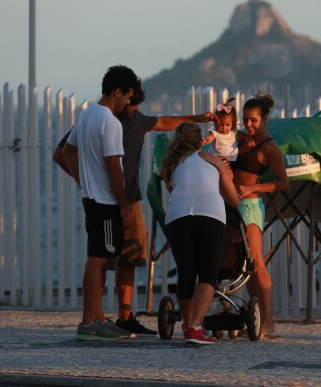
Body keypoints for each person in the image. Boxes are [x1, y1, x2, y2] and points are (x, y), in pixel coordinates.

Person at [53, 87, 219, 337]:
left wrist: (196, 118)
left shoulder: (136, 120)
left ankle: (125, 317)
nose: (134, 108)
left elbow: (164, 121)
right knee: (103, 259)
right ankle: (95, 318)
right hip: (109, 199)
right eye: (131, 103)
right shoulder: (102, 121)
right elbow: (62, 153)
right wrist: (85, 182)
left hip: (130, 198)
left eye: (136, 104)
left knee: (130, 257)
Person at [62, 65, 140, 341]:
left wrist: (83, 180)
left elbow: (67, 151)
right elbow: (113, 167)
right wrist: (123, 206)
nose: (128, 103)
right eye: (128, 97)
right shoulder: (109, 122)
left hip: (92, 199)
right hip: (106, 203)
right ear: (117, 92)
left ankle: (97, 318)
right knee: (98, 261)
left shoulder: (86, 115)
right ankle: (88, 323)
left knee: (99, 257)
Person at [161, 123, 239, 345]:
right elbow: (234, 200)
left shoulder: (170, 165)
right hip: (209, 216)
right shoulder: (213, 160)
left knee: (186, 272)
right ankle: (195, 327)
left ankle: (188, 327)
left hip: (177, 217)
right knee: (207, 275)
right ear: (199, 141)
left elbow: (175, 190)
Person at [232, 91, 288, 338]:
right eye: (245, 119)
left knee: (257, 264)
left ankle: (268, 321)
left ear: (264, 118)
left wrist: (254, 187)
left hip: (251, 206)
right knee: (244, 266)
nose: (249, 124)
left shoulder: (269, 148)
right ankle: (254, 320)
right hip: (233, 205)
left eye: (253, 120)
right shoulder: (244, 140)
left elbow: (283, 183)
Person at [202, 98, 255, 165]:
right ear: (215, 123)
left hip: (230, 157)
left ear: (233, 123)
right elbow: (210, 137)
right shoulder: (215, 132)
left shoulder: (233, 131)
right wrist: (206, 140)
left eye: (227, 125)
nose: (224, 127)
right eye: (221, 124)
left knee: (230, 174)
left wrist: (250, 140)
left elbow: (244, 136)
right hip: (216, 158)